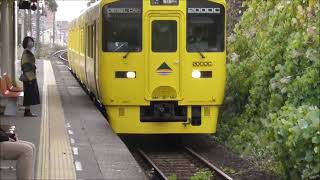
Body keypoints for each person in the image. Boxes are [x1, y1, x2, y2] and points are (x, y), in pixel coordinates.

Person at [21, 36, 40, 117]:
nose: (31, 42)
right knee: (28, 94)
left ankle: (27, 111)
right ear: (26, 43)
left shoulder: (28, 52)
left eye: (32, 41)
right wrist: (30, 77)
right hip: (28, 77)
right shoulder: (26, 53)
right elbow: (25, 65)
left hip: (30, 76)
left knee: (29, 94)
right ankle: (27, 112)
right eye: (29, 41)